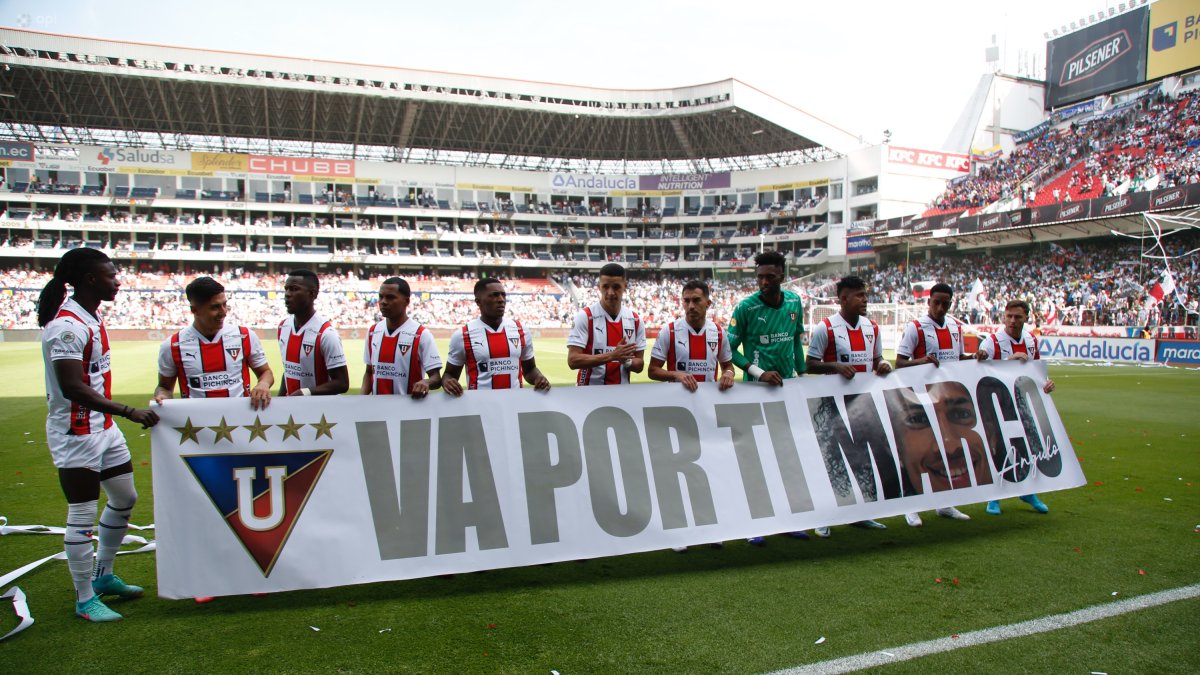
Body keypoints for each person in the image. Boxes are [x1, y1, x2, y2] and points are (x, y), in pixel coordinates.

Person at [38, 248, 160, 622]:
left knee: (125, 497)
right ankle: (84, 599)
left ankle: (104, 575)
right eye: (111, 275)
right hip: (76, 432)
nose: (117, 281)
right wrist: (128, 411)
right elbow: (73, 387)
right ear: (91, 280)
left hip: (101, 428)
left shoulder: (89, 317)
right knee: (81, 515)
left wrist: (113, 418)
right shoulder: (67, 327)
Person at [726, 250, 808, 544]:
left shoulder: (794, 302)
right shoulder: (746, 308)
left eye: (769, 277)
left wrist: (802, 375)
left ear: (782, 276)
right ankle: (754, 525)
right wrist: (758, 372)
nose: (763, 282)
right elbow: (728, 351)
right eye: (759, 277)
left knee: (785, 459)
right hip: (755, 394)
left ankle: (786, 520)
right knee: (755, 461)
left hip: (787, 395)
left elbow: (796, 342)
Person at [647, 280, 735, 553]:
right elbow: (652, 370)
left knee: (708, 469)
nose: (690, 306)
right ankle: (679, 532)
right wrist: (675, 374)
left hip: (707, 414)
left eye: (696, 300)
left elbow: (727, 365)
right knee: (678, 471)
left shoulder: (718, 333)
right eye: (686, 300)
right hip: (677, 414)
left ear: (708, 303)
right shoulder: (670, 331)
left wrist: (730, 373)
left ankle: (710, 527)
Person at [805, 275, 890, 536]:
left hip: (862, 407)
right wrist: (834, 366)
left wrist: (884, 365)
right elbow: (809, 364)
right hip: (831, 408)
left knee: (862, 460)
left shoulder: (872, 328)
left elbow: (878, 361)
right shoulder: (826, 328)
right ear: (843, 299)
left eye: (865, 295)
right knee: (830, 460)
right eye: (859, 295)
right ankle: (823, 517)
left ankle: (860, 513)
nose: (865, 300)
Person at [893, 282, 974, 526]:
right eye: (936, 302)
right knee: (919, 453)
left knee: (946, 452)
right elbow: (899, 363)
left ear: (951, 304)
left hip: (946, 403)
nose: (940, 307)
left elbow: (958, 359)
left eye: (945, 303)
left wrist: (974, 359)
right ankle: (911, 506)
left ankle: (944, 504)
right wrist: (921, 362)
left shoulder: (956, 328)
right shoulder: (915, 328)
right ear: (928, 302)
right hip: (919, 402)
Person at [976, 299, 1056, 515]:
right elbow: (979, 376)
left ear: (1026, 318)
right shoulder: (991, 343)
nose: (1012, 321)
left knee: (1026, 447)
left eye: (1018, 317)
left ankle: (1027, 491)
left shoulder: (1031, 341)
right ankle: (995, 497)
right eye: (1009, 316)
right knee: (999, 447)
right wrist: (1010, 361)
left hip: (1022, 403)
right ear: (1004, 316)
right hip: (997, 405)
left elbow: (1037, 371)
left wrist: (1046, 383)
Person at [154, 276, 273, 408]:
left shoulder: (244, 336)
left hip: (240, 420)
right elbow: (164, 387)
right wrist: (162, 396)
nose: (223, 312)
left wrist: (263, 384)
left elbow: (266, 373)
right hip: (196, 424)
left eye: (224, 304)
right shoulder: (172, 345)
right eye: (215, 307)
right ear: (195, 310)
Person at [443, 278, 551, 395]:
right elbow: (449, 375)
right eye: (494, 295)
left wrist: (538, 378)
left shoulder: (521, 330)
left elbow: (530, 370)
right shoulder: (463, 335)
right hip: (480, 407)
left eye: (503, 295)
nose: (501, 300)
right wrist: (448, 382)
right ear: (478, 302)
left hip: (515, 406)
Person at [361, 277, 443, 398]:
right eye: (381, 297)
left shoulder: (421, 334)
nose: (383, 302)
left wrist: (426, 382)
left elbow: (436, 378)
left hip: (408, 412)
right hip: (377, 411)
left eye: (390, 297)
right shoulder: (373, 332)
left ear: (406, 301)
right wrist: (360, 401)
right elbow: (369, 372)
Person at [566, 262, 645, 385]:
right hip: (588, 394)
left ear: (625, 286)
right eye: (606, 286)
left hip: (621, 396)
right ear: (599, 287)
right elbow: (573, 360)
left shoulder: (635, 320)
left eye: (616, 287)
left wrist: (626, 361)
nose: (611, 292)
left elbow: (639, 364)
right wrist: (613, 356)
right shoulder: (586, 317)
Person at [278, 270, 349, 397]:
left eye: (294, 289)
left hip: (321, 413)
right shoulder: (283, 327)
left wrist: (306, 393)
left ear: (312, 294)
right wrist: (279, 400)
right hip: (292, 411)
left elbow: (342, 383)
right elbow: (289, 371)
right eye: (286, 289)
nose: (287, 294)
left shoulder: (326, 334)